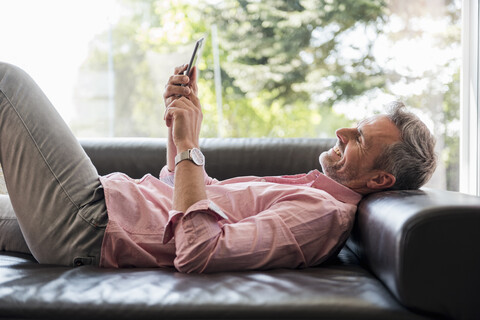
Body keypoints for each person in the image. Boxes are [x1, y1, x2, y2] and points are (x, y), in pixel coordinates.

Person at [0, 62, 436, 273]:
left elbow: (199, 250)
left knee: (7, 83)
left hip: (90, 221)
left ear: (380, 179)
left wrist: (190, 144)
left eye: (358, 138)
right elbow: (184, 194)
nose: (341, 132)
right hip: (94, 217)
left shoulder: (320, 214)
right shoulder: (314, 191)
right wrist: (184, 121)